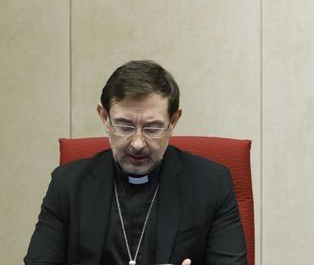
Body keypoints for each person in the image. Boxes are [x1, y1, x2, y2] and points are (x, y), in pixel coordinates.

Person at [24, 60, 247, 265]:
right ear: (104, 117)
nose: (138, 143)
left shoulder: (211, 184)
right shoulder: (67, 185)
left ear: (173, 121)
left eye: (152, 128)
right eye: (125, 126)